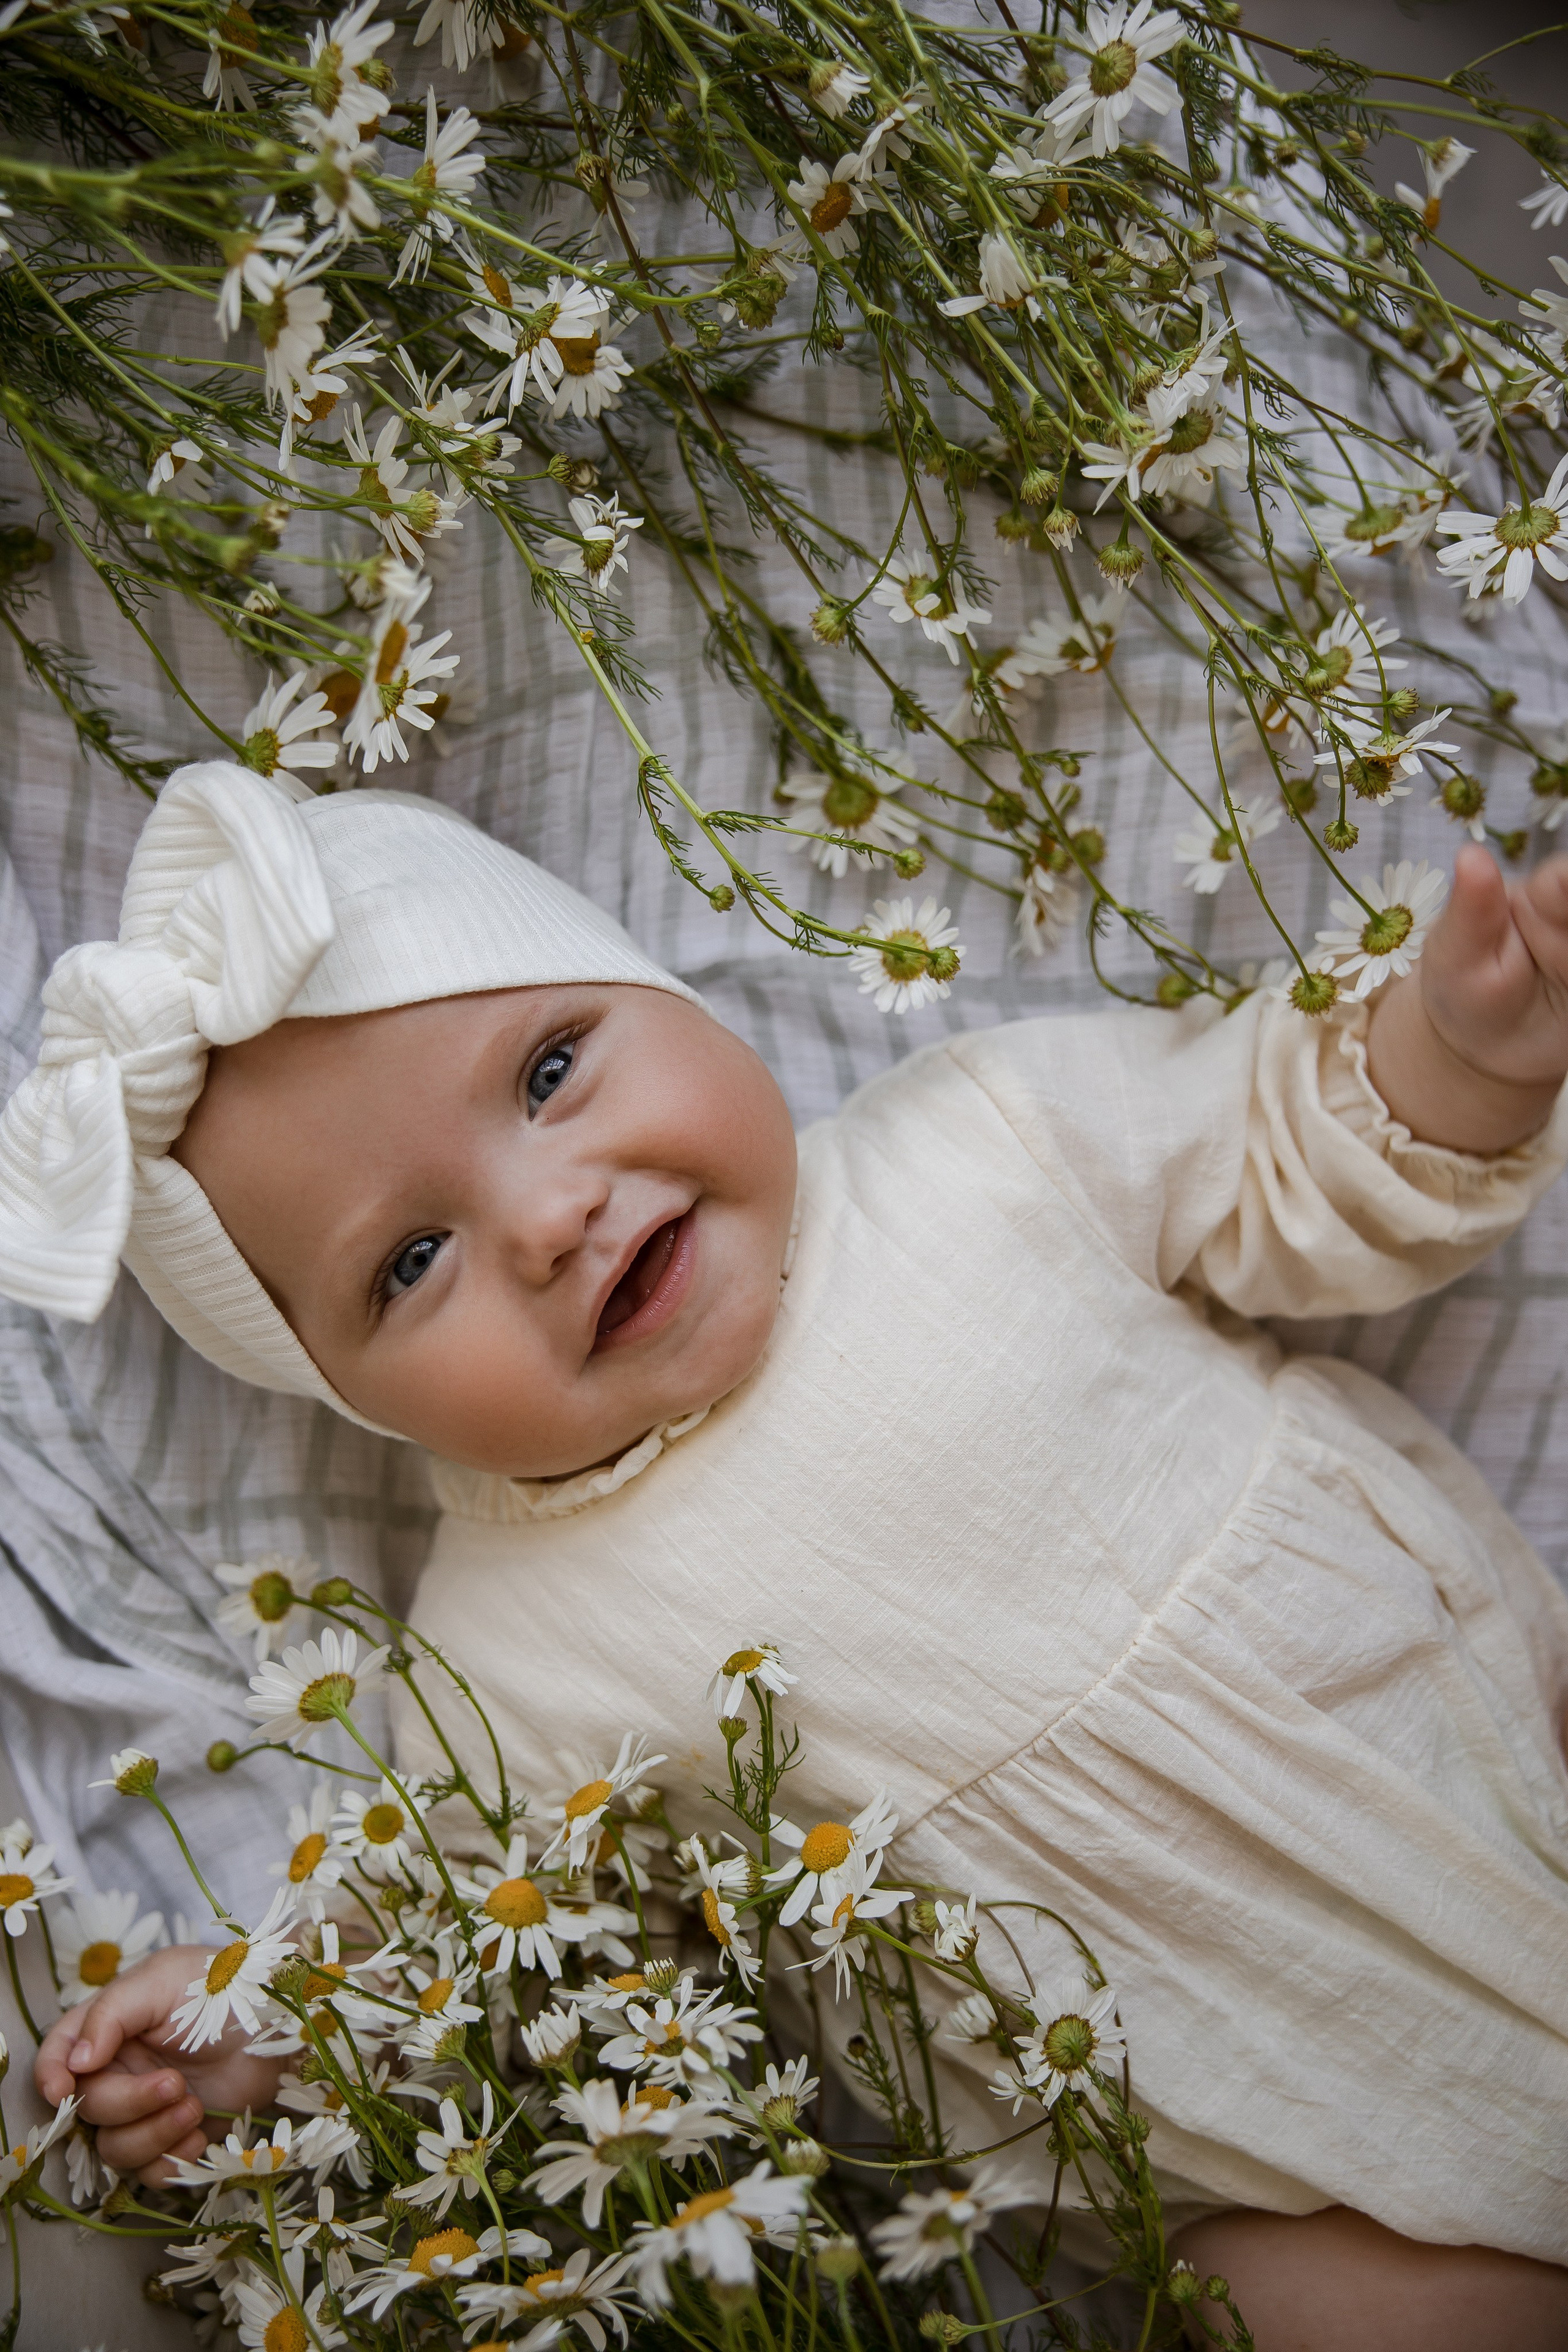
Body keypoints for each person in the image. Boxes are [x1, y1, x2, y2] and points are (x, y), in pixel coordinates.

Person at [6, 760, 1568, 2352]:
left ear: (660, 991)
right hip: (1260, 2139)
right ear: (342, 1395)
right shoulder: (503, 1660)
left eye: (551, 1070)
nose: (549, 1215)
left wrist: (1454, 1049)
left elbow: (1293, 1143)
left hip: (1492, 1736)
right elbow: (472, 1927)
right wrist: (271, 2019)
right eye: (413, 1263)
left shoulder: (987, 1140)